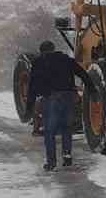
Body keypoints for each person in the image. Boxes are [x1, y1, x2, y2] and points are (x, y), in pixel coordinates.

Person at [26, 40, 96, 172]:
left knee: (50, 131)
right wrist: (92, 90)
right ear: (53, 48)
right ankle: (67, 157)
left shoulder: (39, 62)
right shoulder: (66, 59)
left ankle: (51, 162)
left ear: (42, 52)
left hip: (51, 98)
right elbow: (82, 73)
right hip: (68, 97)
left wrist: (29, 107)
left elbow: (32, 85)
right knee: (66, 128)